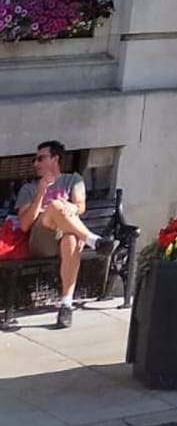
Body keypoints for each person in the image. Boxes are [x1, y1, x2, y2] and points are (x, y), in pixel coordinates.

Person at [15, 141, 114, 328]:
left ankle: (66, 305)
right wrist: (41, 194)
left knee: (70, 238)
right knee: (54, 205)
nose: (35, 163)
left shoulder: (73, 180)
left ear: (55, 159)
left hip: (65, 236)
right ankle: (93, 240)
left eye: (40, 158)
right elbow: (25, 225)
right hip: (40, 240)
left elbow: (80, 207)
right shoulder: (29, 189)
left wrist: (70, 207)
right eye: (35, 159)